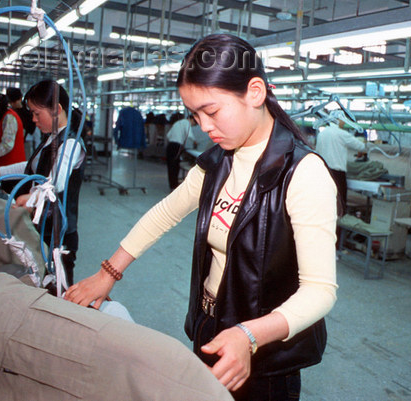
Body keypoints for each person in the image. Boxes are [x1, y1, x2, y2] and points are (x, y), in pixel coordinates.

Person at [65, 34, 338, 401]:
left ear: (255, 92)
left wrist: (249, 335)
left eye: (211, 111)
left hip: (264, 352)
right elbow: (163, 214)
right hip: (210, 328)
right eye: (194, 115)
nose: (203, 126)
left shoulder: (303, 174)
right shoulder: (217, 163)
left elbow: (320, 292)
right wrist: (107, 273)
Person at [0, 80, 86, 286]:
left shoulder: (71, 144)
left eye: (37, 114)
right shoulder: (51, 139)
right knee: (41, 280)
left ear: (56, 109)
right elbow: (31, 166)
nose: (33, 119)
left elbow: (57, 180)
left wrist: (33, 197)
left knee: (60, 289)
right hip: (42, 228)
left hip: (59, 234)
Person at [314, 110, 366, 216]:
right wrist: (363, 141)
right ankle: (338, 228)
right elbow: (361, 146)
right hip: (336, 174)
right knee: (339, 206)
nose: (344, 123)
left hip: (322, 173)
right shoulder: (341, 134)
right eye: (343, 120)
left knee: (324, 204)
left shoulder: (322, 134)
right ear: (339, 120)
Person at [165, 113, 197, 190]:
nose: (192, 125)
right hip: (176, 146)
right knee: (175, 167)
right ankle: (174, 186)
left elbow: (168, 135)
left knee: (171, 166)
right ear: (192, 119)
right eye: (194, 124)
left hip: (170, 145)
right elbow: (189, 134)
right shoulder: (187, 122)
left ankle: (172, 185)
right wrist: (195, 141)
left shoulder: (178, 122)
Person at [6, 87, 38, 159]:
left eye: (14, 102)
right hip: (14, 142)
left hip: (27, 141)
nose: (13, 104)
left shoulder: (28, 113)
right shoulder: (11, 113)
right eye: (11, 102)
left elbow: (33, 130)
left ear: (20, 99)